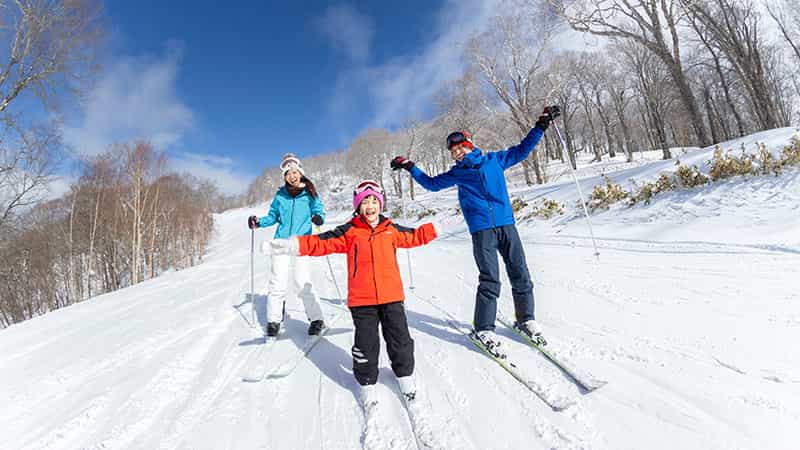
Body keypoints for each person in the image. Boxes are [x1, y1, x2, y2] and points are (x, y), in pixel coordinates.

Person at [390, 105, 561, 353]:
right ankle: (483, 329)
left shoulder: (495, 160)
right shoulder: (457, 174)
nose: (457, 152)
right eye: (453, 150)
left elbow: (523, 149)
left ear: (469, 144)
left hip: (506, 225)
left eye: (460, 147)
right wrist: (410, 166)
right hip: (481, 230)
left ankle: (526, 319)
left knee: (520, 272)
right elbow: (430, 184)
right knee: (490, 278)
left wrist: (541, 125)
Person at [269, 179, 438, 409]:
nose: (370, 205)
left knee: (401, 341)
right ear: (358, 206)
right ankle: (367, 384)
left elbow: (414, 236)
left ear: (380, 204)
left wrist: (433, 229)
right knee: (366, 345)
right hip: (362, 300)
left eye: (374, 201)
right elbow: (322, 242)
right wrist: (293, 245)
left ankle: (404, 376)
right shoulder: (350, 231)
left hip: (392, 297)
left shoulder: (390, 229)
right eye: (365, 201)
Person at [248, 153, 327, 337]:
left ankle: (316, 319)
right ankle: (274, 320)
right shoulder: (280, 195)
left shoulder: (309, 192)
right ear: (284, 176)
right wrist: (258, 221)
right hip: (281, 242)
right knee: (277, 282)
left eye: (294, 171)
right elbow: (273, 216)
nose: (292, 175)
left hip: (302, 242)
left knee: (301, 282)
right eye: (288, 173)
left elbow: (319, 209)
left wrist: (319, 217)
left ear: (300, 172)